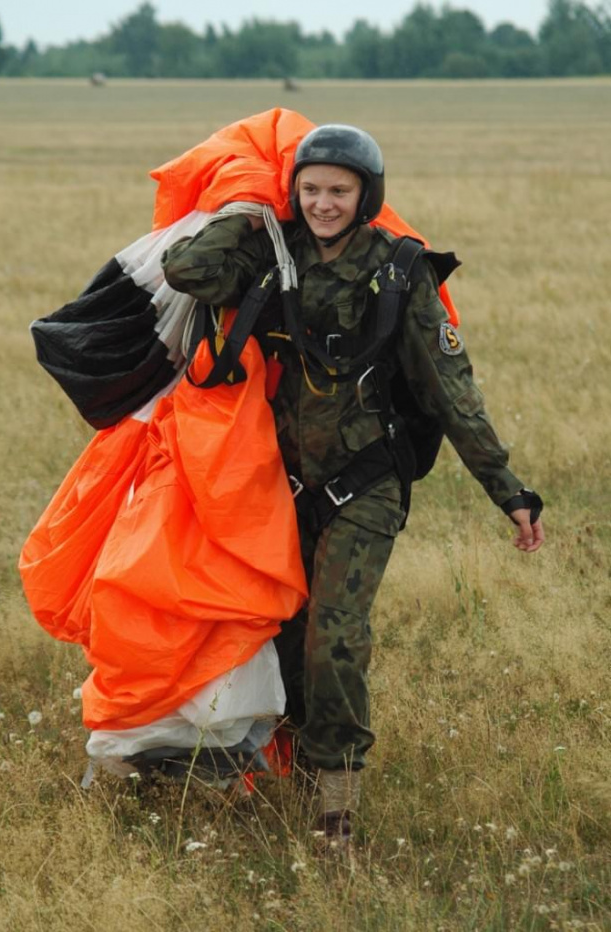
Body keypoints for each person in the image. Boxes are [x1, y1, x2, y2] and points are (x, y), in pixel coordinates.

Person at [161, 124, 545, 846]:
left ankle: (337, 808)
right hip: (283, 484)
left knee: (335, 636)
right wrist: (247, 209)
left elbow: (451, 392)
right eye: (309, 189)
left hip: (368, 481)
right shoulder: (274, 254)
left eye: (339, 190)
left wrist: (511, 493)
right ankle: (300, 768)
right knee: (285, 633)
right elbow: (187, 272)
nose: (323, 204)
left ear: (367, 194)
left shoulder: (400, 271)